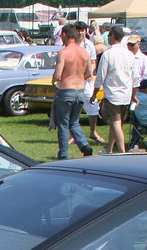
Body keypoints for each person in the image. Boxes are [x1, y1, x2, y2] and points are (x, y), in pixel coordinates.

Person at [91, 26, 137, 154]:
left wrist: (94, 94)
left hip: (113, 94)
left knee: (116, 123)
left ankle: (122, 152)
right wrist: (134, 94)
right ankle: (109, 150)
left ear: (112, 36)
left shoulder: (108, 54)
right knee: (116, 122)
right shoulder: (129, 54)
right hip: (126, 94)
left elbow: (100, 76)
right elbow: (136, 77)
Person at [51, 24, 94, 159]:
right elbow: (89, 73)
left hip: (66, 90)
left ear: (64, 35)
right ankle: (84, 145)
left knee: (63, 124)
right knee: (74, 122)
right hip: (80, 90)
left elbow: (58, 74)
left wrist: (55, 81)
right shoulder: (84, 52)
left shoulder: (63, 53)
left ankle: (63, 154)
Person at [75, 22, 104, 144]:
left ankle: (93, 132)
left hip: (86, 81)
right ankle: (74, 135)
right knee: (73, 107)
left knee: (93, 105)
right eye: (78, 30)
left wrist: (88, 72)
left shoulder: (90, 45)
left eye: (82, 30)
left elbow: (93, 62)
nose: (81, 32)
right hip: (74, 80)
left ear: (86, 31)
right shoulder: (71, 45)